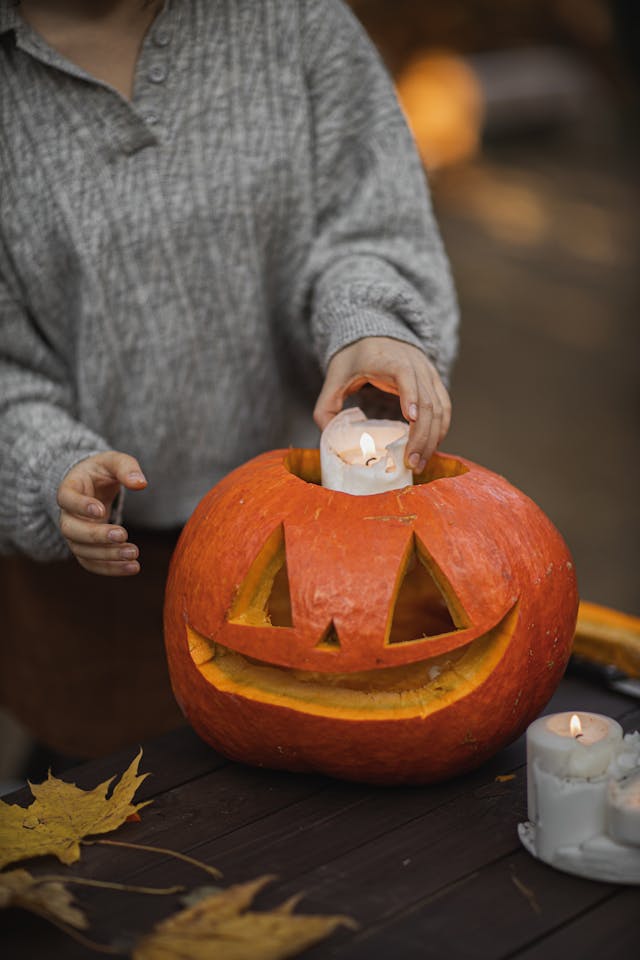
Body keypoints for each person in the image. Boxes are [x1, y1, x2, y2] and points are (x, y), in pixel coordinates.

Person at [0, 0, 458, 761]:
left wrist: (369, 324)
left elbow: (369, 224)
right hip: (101, 578)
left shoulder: (294, 22)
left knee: (323, 823)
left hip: (322, 544)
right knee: (125, 835)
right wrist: (50, 465)